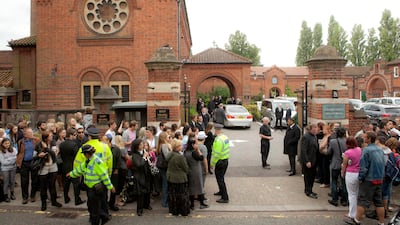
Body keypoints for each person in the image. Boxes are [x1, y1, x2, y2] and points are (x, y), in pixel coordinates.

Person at [344, 131, 385, 225]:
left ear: (369, 139)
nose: (364, 138)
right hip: (379, 178)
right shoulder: (380, 149)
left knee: (363, 200)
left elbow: (363, 167)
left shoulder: (366, 150)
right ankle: (381, 222)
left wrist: (361, 178)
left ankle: (357, 220)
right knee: (378, 202)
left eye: (365, 137)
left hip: (369, 179)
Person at [68, 145, 115, 225]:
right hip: (90, 188)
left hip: (95, 189)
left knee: (94, 209)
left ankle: (97, 221)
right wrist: (71, 174)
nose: (83, 155)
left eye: (84, 154)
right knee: (91, 206)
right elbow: (80, 169)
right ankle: (104, 217)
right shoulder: (88, 161)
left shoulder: (97, 162)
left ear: (87, 154)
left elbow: (104, 175)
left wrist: (110, 186)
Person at [36, 131, 62, 211]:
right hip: (43, 166)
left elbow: (54, 154)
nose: (52, 137)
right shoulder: (39, 145)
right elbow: (35, 155)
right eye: (50, 136)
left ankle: (54, 201)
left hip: (53, 166)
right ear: (46, 137)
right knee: (43, 186)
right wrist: (38, 155)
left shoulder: (53, 143)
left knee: (52, 185)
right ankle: (43, 204)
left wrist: (47, 149)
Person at [59, 128, 85, 205]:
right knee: (76, 184)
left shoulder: (62, 144)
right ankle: (77, 200)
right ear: (71, 135)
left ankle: (66, 198)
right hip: (73, 167)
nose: (75, 136)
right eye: (74, 135)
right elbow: (77, 156)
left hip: (64, 166)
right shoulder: (74, 145)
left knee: (66, 184)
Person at [16, 127, 41, 204]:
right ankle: (25, 197)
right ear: (25, 135)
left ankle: (32, 196)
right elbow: (19, 152)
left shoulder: (35, 140)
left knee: (34, 180)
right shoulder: (21, 142)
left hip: (33, 162)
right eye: (30, 133)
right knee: (24, 181)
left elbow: (40, 146)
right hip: (24, 163)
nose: (31, 134)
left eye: (32, 133)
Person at [184, 134, 208, 210]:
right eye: (196, 144)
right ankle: (202, 203)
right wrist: (198, 150)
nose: (197, 145)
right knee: (199, 186)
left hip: (190, 170)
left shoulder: (186, 152)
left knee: (191, 187)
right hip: (196, 170)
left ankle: (192, 205)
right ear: (193, 144)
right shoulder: (194, 152)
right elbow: (201, 157)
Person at [166, 139, 190, 216]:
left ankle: (173, 210)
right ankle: (182, 211)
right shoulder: (180, 157)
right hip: (180, 179)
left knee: (172, 195)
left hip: (171, 178)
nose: (182, 146)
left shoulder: (170, 155)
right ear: (177, 147)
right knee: (181, 196)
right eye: (180, 145)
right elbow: (186, 168)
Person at [341, 137, 362, 220]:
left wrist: (342, 172)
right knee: (357, 193)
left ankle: (352, 213)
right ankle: (357, 212)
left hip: (350, 173)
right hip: (359, 173)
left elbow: (344, 164)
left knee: (351, 194)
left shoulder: (347, 152)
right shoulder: (359, 150)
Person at [130, 139, 152, 216]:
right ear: (136, 147)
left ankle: (147, 205)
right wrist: (144, 157)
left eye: (142, 144)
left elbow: (148, 162)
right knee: (140, 193)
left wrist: (148, 157)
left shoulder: (144, 152)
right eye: (140, 144)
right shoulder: (135, 155)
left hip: (146, 174)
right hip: (139, 176)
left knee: (147, 191)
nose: (142, 145)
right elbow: (139, 164)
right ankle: (139, 209)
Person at [327, 127, 348, 207]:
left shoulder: (333, 141)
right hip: (345, 164)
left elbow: (329, 152)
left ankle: (335, 199)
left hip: (335, 164)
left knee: (334, 181)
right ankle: (344, 200)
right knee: (344, 183)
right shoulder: (347, 141)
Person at [211, 123, 230, 203]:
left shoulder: (218, 140)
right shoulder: (225, 137)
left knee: (220, 179)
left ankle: (225, 197)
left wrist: (212, 163)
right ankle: (221, 191)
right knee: (221, 178)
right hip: (225, 160)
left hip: (220, 161)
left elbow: (216, 154)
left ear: (216, 130)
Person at [102, 134, 121, 212]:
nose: (102, 141)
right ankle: (105, 204)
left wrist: (116, 169)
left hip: (114, 171)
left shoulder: (116, 149)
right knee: (104, 189)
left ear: (108, 141)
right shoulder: (102, 149)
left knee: (113, 188)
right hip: (104, 171)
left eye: (104, 140)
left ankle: (112, 204)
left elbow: (118, 159)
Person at [300, 124, 319, 199]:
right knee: (308, 176)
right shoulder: (306, 137)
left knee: (312, 176)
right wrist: (307, 161)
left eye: (316, 128)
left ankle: (310, 189)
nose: (316, 129)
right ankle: (308, 191)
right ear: (310, 129)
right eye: (314, 128)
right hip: (308, 160)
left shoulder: (314, 136)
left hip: (314, 160)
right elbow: (303, 150)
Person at [156, 132, 171, 208]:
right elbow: (168, 156)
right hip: (165, 167)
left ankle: (164, 201)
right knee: (165, 185)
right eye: (168, 137)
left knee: (164, 184)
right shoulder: (164, 145)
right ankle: (164, 202)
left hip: (161, 167)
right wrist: (170, 148)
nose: (169, 138)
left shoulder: (159, 145)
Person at [0, 138, 17, 202]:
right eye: (5, 143)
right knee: (6, 182)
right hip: (5, 169)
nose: (7, 145)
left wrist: (8, 159)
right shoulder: (1, 151)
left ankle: (12, 194)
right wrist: (12, 160)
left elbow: (16, 158)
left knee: (12, 181)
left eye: (8, 143)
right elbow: (3, 162)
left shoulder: (14, 149)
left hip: (13, 168)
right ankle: (6, 195)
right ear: (2, 144)